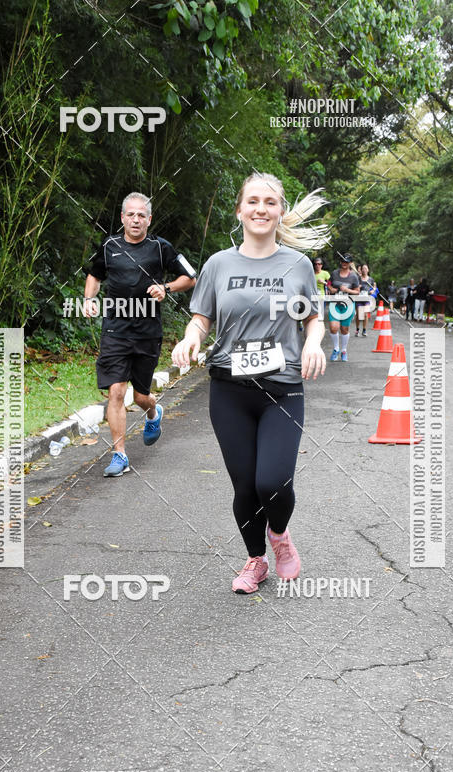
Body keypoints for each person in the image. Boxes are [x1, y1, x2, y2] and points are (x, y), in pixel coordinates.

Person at [172, 172, 327, 594]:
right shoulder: (218, 264)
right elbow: (201, 317)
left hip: (282, 388)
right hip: (230, 391)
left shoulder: (297, 265)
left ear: (280, 211)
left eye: (270, 202)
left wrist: (314, 343)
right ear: (240, 209)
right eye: (253, 201)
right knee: (244, 484)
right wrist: (190, 338)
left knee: (272, 481)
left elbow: (313, 318)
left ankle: (279, 534)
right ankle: (256, 560)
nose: (261, 209)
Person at [83, 192, 196, 476]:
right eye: (130, 214)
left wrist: (165, 288)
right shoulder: (109, 245)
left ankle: (153, 412)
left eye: (141, 215)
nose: (135, 219)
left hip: (147, 332)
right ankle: (119, 454)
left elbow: (190, 277)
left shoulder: (160, 248)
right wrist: (88, 299)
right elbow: (94, 275)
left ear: (149, 219)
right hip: (115, 331)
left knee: (141, 395)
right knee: (117, 392)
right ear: (122, 218)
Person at [327, 254, 360, 360]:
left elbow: (357, 292)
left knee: (344, 329)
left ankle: (344, 350)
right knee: (333, 327)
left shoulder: (353, 276)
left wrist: (347, 290)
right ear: (340, 262)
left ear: (350, 263)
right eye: (343, 261)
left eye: (346, 262)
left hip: (348, 305)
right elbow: (329, 283)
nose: (344, 263)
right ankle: (336, 349)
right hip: (334, 304)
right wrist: (331, 289)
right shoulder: (335, 273)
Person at [356, 262, 377, 337]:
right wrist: (358, 286)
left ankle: (364, 330)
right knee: (359, 315)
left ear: (368, 270)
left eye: (365, 268)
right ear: (361, 270)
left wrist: (373, 290)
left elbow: (374, 286)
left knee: (365, 315)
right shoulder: (358, 278)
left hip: (367, 298)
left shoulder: (371, 279)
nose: (364, 270)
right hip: (359, 298)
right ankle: (357, 329)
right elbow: (354, 286)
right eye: (363, 269)